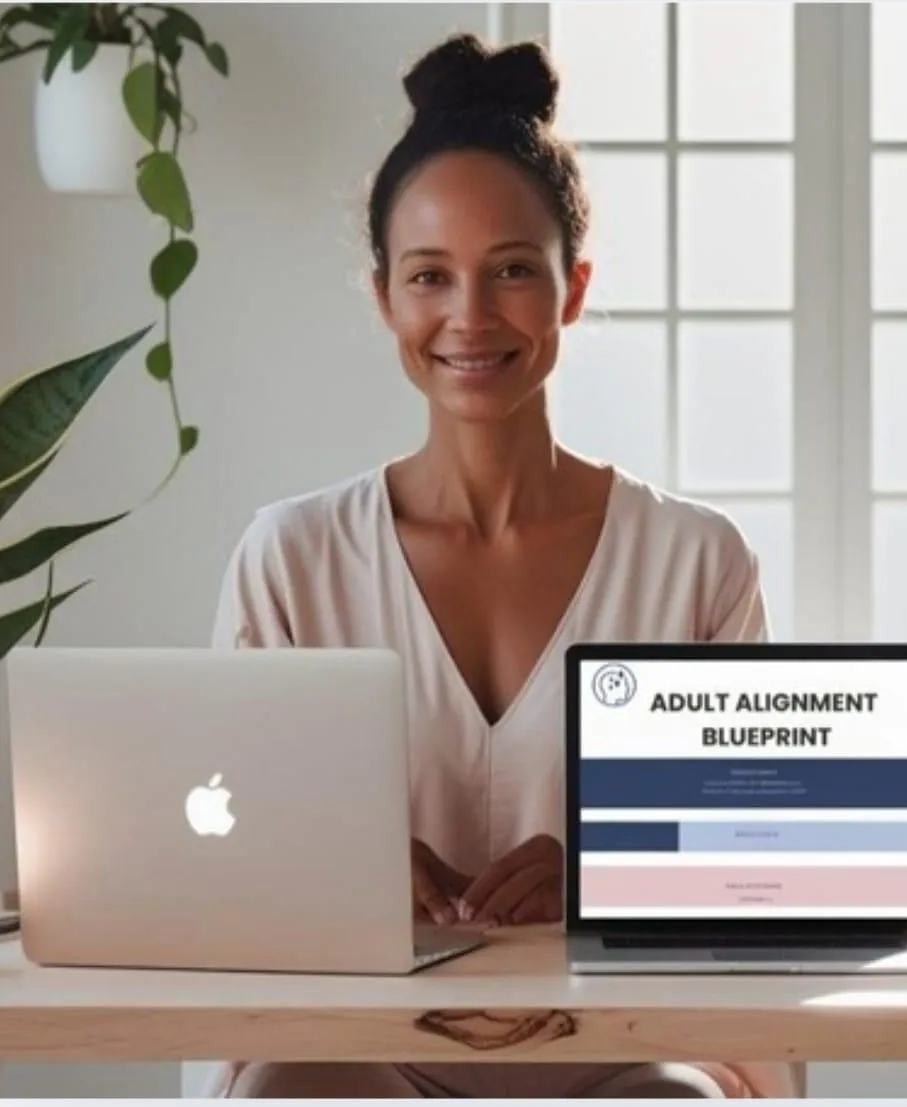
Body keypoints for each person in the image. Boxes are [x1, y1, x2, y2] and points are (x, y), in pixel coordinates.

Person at [207, 30, 800, 1100]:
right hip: (356, 1055)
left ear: (572, 290)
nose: (470, 317)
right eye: (431, 275)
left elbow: (757, 867)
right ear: (385, 295)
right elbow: (219, 859)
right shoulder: (290, 559)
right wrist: (342, 874)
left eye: (513, 272)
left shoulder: (695, 560)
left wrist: (609, 878)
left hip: (622, 1052)